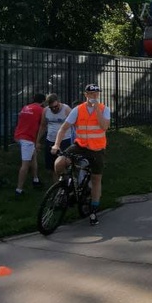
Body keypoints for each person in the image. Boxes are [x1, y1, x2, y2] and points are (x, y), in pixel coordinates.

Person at [52, 84, 111, 226]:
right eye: (91, 94)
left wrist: (96, 108)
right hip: (80, 146)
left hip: (97, 149)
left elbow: (104, 126)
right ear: (86, 95)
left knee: (96, 179)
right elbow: (63, 128)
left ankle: (93, 210)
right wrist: (56, 145)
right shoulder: (78, 110)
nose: (94, 96)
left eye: (96, 94)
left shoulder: (104, 109)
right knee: (59, 163)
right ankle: (65, 188)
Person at [14, 91, 46, 197]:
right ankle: (19, 189)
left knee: (33, 157)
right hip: (28, 139)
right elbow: (43, 123)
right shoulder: (41, 110)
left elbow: (20, 117)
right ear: (43, 101)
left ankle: (35, 180)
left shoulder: (26, 107)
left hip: (19, 136)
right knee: (25, 165)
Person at [37, 94, 72, 181]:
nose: (54, 109)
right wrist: (37, 141)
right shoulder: (46, 111)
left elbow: (75, 125)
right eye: (51, 107)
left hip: (65, 140)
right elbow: (43, 126)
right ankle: (57, 187)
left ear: (59, 102)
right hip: (50, 141)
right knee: (53, 167)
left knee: (64, 163)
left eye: (56, 106)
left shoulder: (66, 110)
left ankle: (68, 182)